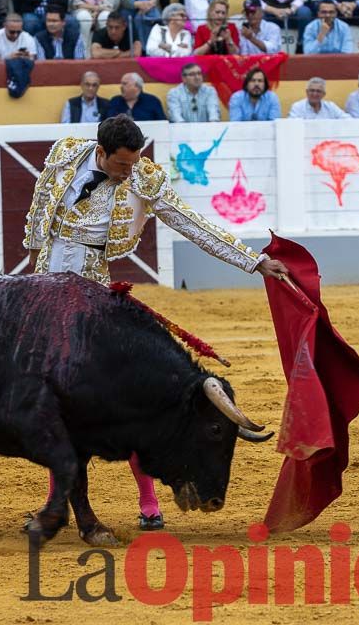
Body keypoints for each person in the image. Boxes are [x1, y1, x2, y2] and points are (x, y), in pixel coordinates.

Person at [22, 116, 289, 531]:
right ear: (103, 151)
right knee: (52, 400)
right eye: (122, 165)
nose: (129, 171)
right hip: (43, 292)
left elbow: (191, 223)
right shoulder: (65, 153)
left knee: (126, 399)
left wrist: (253, 261)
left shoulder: (144, 180)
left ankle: (148, 502)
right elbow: (43, 224)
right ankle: (55, 503)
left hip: (91, 293)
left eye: (134, 163)